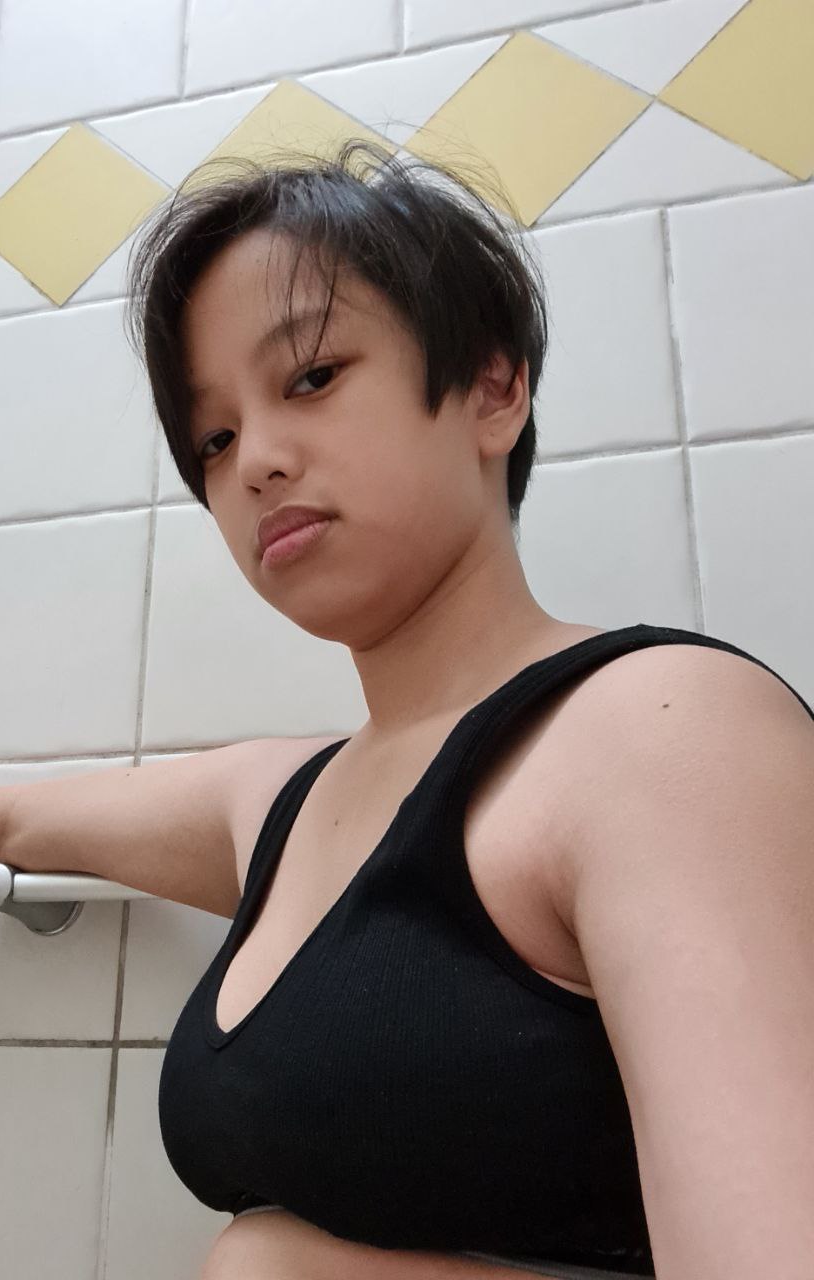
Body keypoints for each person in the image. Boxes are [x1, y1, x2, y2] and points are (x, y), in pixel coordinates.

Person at [119, 139, 814, 1279]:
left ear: (493, 389)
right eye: (215, 436)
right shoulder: (282, 791)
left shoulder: (662, 729)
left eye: (311, 376)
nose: (254, 464)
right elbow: (11, 822)